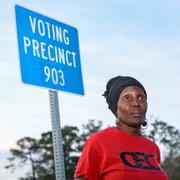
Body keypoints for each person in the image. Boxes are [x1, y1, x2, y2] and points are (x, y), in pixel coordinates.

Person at [74, 76, 168, 180]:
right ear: (116, 106)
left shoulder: (153, 148)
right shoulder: (98, 142)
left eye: (141, 98)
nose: (136, 103)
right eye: (128, 98)